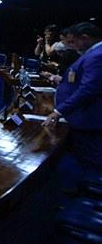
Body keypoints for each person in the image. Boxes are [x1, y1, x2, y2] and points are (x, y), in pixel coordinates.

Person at [42, 22, 102, 179]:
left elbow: (89, 90)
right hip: (85, 116)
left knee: (90, 162)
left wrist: (59, 111)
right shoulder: (93, 53)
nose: (70, 47)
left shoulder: (97, 55)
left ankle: (90, 189)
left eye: (72, 42)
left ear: (85, 38)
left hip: (89, 119)